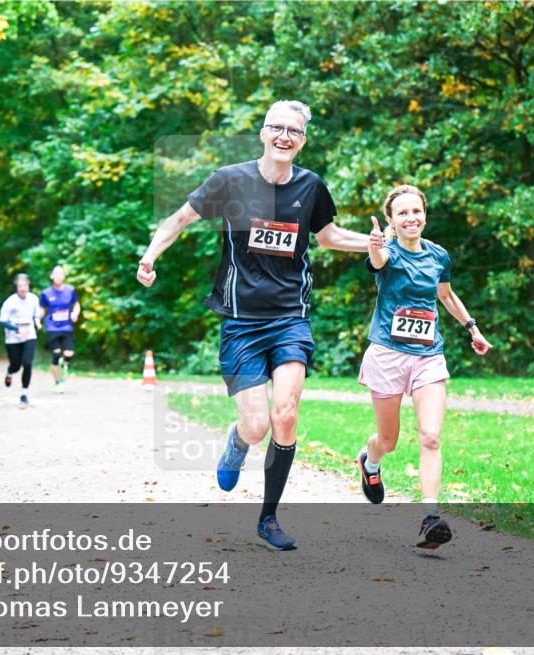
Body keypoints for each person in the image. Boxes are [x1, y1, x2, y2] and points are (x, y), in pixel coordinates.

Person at [136, 100, 374, 550]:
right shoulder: (230, 180)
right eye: (278, 128)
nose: (285, 136)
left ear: (303, 140)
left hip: (289, 318)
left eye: (295, 131)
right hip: (241, 322)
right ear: (263, 133)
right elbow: (179, 218)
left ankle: (269, 519)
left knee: (286, 416)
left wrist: (377, 244)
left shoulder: (311, 187)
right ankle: (239, 440)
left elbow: (328, 237)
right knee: (258, 425)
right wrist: (149, 257)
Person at [358, 184, 492, 548]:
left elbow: (445, 294)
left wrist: (472, 328)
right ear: (391, 220)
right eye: (402, 213)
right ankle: (369, 462)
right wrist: (373, 247)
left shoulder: (438, 255)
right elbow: (378, 262)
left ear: (424, 215)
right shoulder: (387, 252)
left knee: (431, 436)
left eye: (415, 211)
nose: (410, 218)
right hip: (387, 354)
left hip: (429, 355)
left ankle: (430, 517)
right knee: (388, 440)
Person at [0, 274, 41, 407]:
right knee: (16, 365)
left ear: (28, 286)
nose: (23, 288)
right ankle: (10, 372)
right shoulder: (10, 302)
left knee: (27, 363)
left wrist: (37, 321)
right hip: (13, 339)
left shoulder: (34, 299)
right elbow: (2, 321)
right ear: (16, 287)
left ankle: (24, 393)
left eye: (25, 285)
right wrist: (16, 329)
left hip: (29, 336)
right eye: (20, 286)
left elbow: (37, 314)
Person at [39, 265, 80, 394]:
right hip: (52, 328)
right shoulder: (46, 293)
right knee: (56, 355)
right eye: (55, 273)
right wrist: (36, 319)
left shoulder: (70, 290)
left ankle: (65, 366)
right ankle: (58, 382)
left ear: (63, 276)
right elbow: (42, 309)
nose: (58, 276)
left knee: (69, 353)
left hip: (67, 327)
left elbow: (76, 304)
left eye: (61, 273)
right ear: (52, 276)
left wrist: (75, 313)